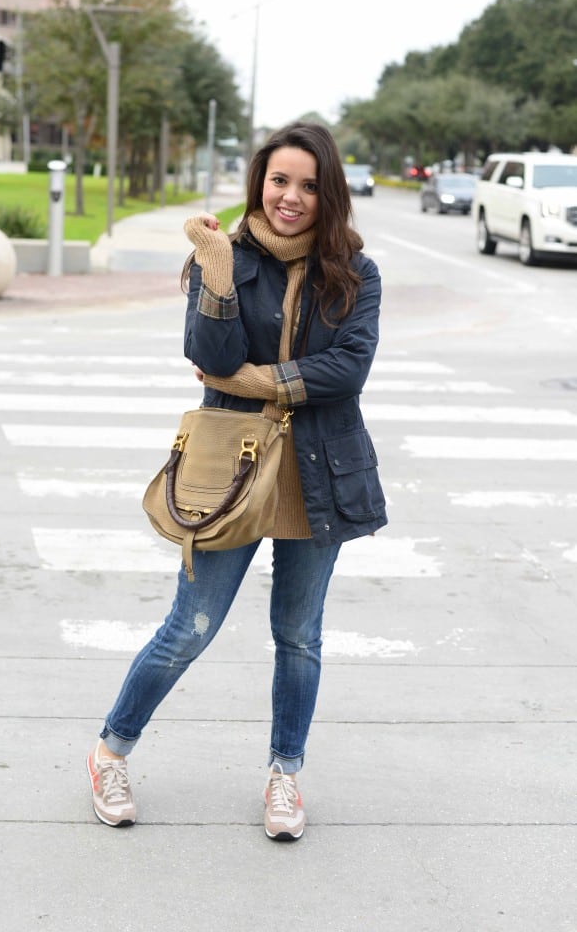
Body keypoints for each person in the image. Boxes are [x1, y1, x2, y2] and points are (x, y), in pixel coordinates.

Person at [87, 121, 387, 841]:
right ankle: (109, 751)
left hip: (317, 470)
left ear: (328, 193)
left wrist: (257, 380)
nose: (291, 197)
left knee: (299, 636)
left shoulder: (354, 272)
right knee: (188, 628)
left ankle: (285, 775)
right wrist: (216, 266)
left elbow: (348, 368)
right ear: (259, 182)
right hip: (232, 465)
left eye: (309, 185)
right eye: (280, 180)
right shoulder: (221, 257)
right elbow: (205, 351)